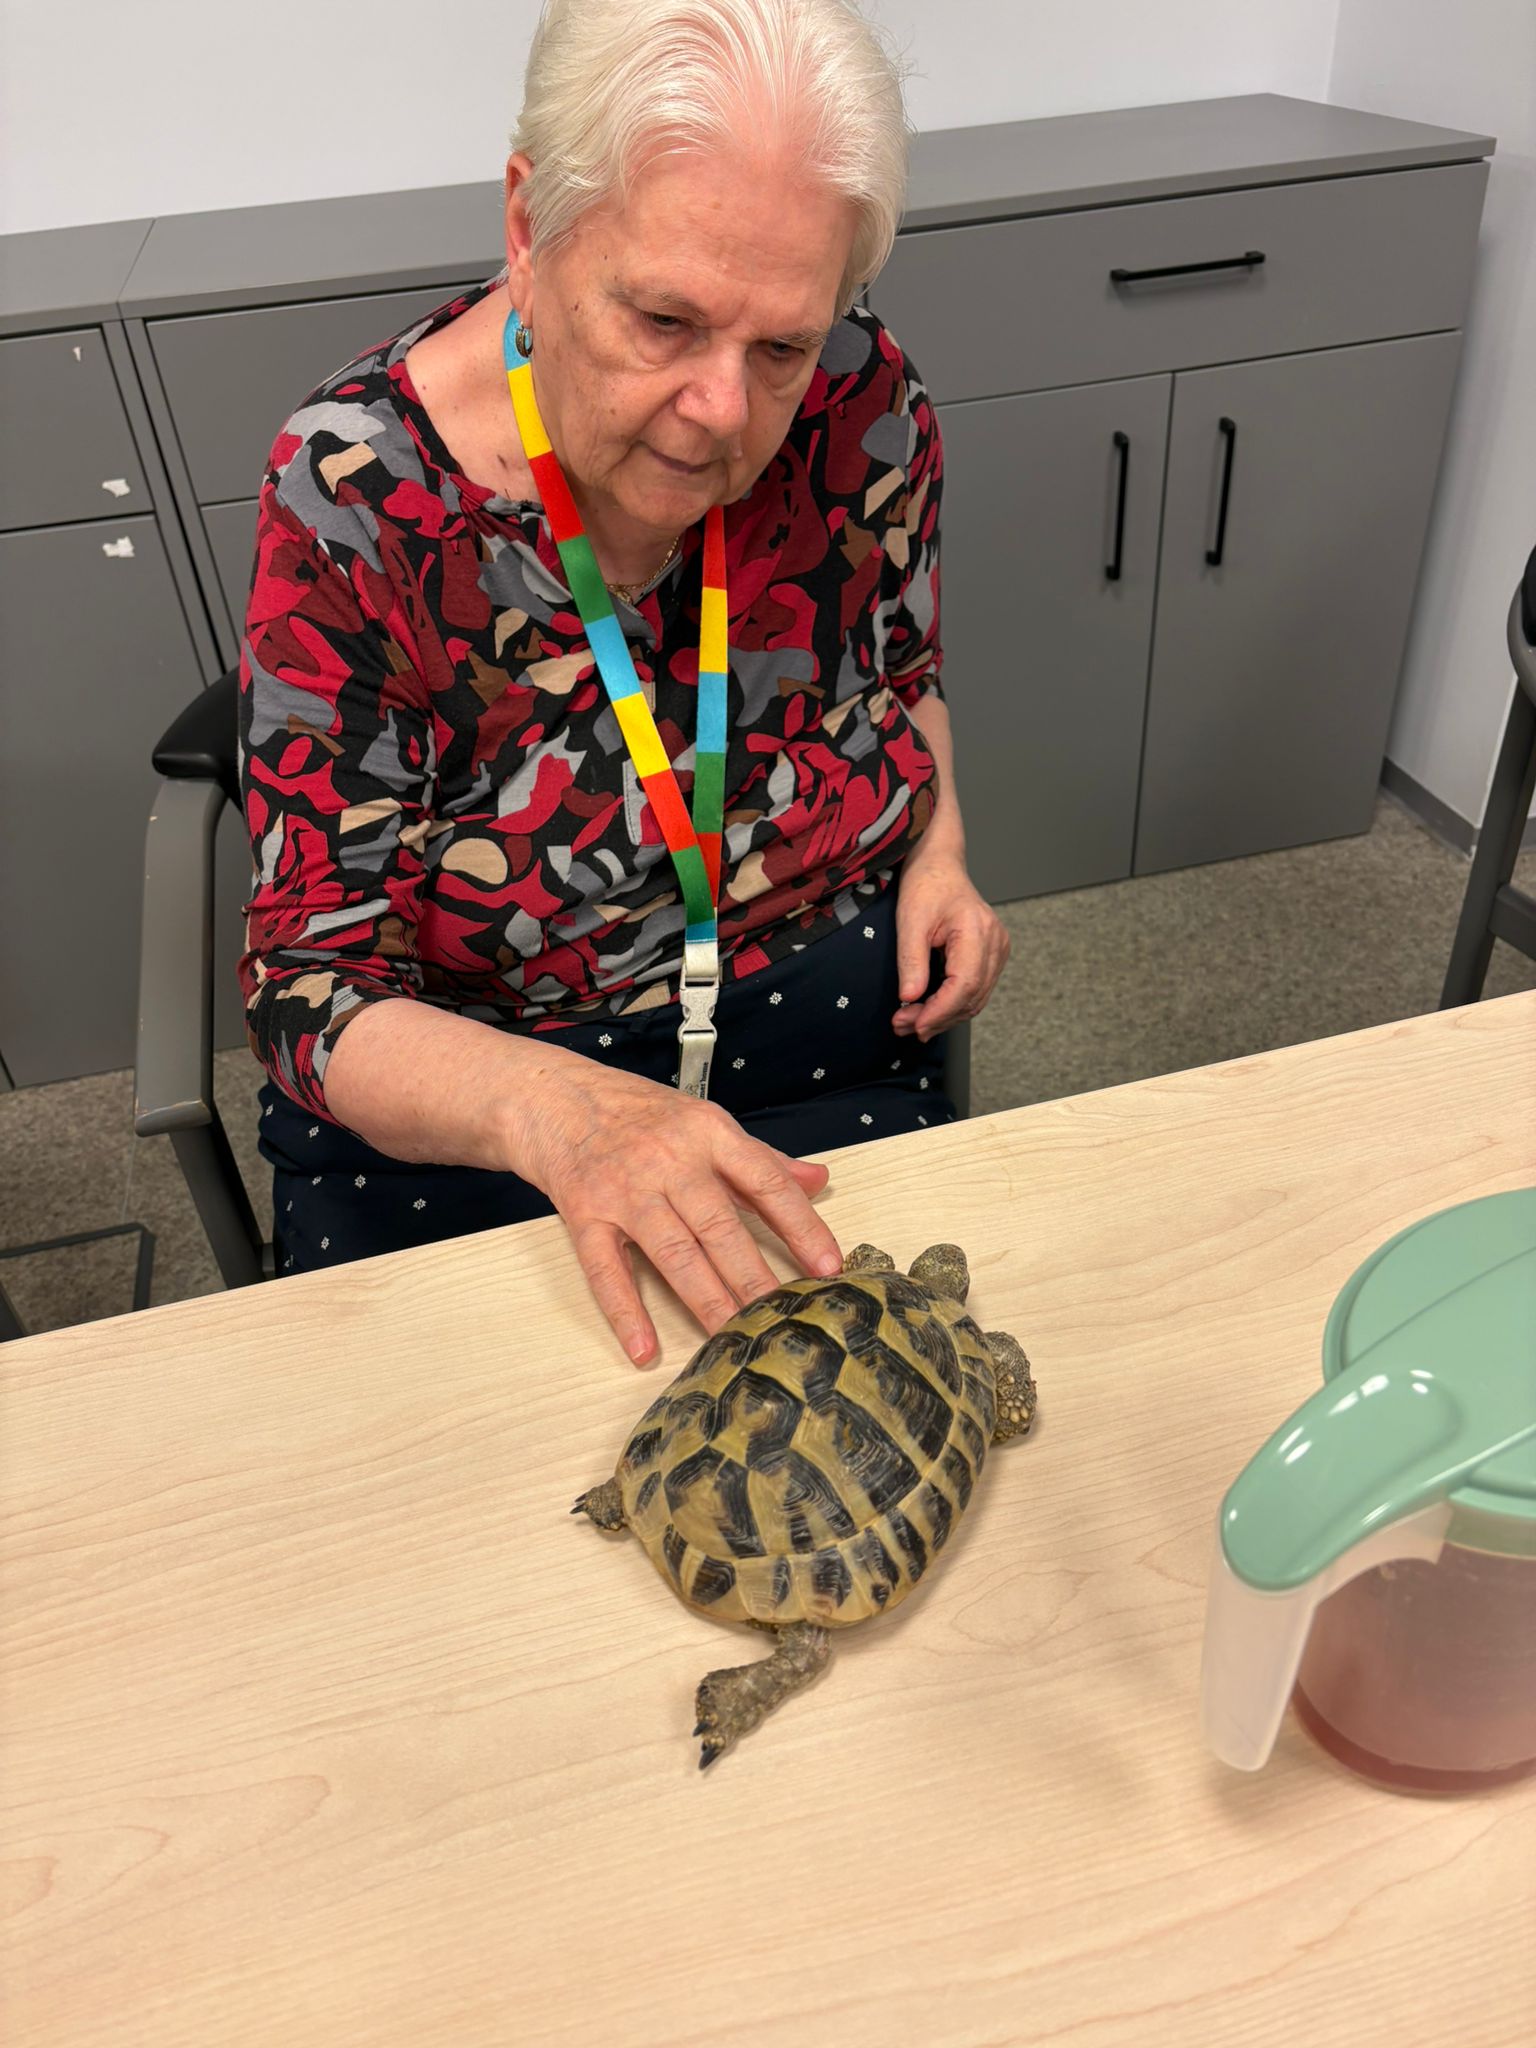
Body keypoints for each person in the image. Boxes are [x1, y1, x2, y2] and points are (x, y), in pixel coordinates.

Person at [239, 0, 1010, 1366]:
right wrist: (569, 1118)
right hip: (494, 1101)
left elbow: (903, 673)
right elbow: (310, 988)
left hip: (815, 1034)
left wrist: (940, 853)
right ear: (528, 227)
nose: (724, 411)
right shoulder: (356, 492)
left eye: (782, 345)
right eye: (664, 319)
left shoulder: (862, 401)